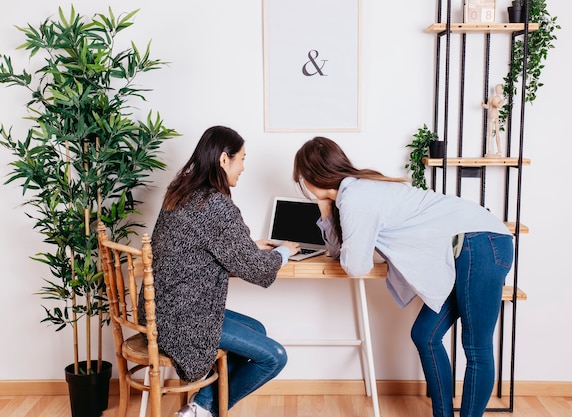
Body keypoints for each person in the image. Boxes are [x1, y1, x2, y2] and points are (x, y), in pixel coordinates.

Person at [292, 137, 514, 417]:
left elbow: (356, 266)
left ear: (312, 177)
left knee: (476, 345)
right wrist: (325, 209)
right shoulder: (355, 193)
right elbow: (341, 252)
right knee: (425, 335)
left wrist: (330, 212)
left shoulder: (356, 197)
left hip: (481, 242)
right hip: (467, 248)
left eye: (301, 179)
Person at [138, 126, 300, 417]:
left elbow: (197, 243)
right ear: (224, 160)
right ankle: (203, 410)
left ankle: (200, 405)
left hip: (159, 311)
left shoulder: (181, 192)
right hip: (184, 320)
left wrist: (246, 245)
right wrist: (284, 251)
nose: (244, 167)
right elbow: (256, 269)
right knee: (274, 357)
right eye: (242, 159)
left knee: (257, 330)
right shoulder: (215, 206)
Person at [481, 83, 505, 157]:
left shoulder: (501, 99)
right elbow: (488, 106)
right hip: (492, 115)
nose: (498, 90)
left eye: (500, 89)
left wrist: (499, 102)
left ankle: (499, 149)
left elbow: (497, 105)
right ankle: (489, 150)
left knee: (497, 133)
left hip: (496, 116)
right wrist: (482, 104)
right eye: (497, 89)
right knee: (490, 133)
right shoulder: (492, 98)